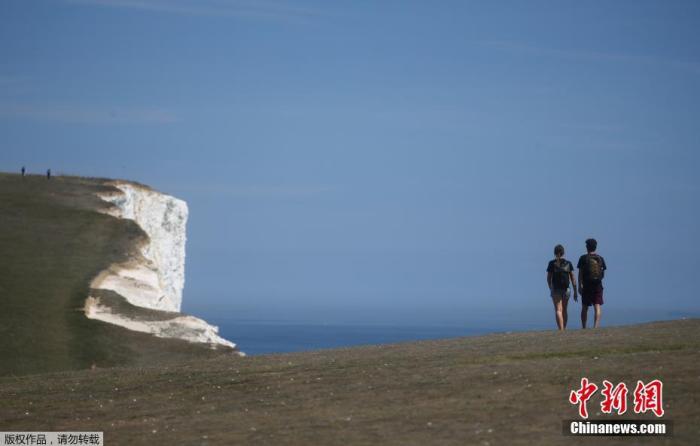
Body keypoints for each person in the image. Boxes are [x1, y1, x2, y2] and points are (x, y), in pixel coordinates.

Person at [577, 238, 607, 328]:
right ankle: (596, 326)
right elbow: (603, 274)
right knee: (597, 306)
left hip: (586, 285)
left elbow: (580, 274)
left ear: (587, 247)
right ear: (595, 247)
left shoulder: (583, 258)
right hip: (598, 285)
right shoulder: (600, 258)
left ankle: (584, 327)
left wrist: (580, 285)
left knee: (585, 307)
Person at [547, 244, 577, 330]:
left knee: (558, 310)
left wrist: (550, 287)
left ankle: (561, 329)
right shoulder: (568, 263)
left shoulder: (551, 263)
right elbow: (573, 278)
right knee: (564, 310)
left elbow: (548, 278)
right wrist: (575, 291)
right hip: (566, 289)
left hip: (556, 289)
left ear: (554, 253)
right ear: (563, 252)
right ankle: (564, 328)